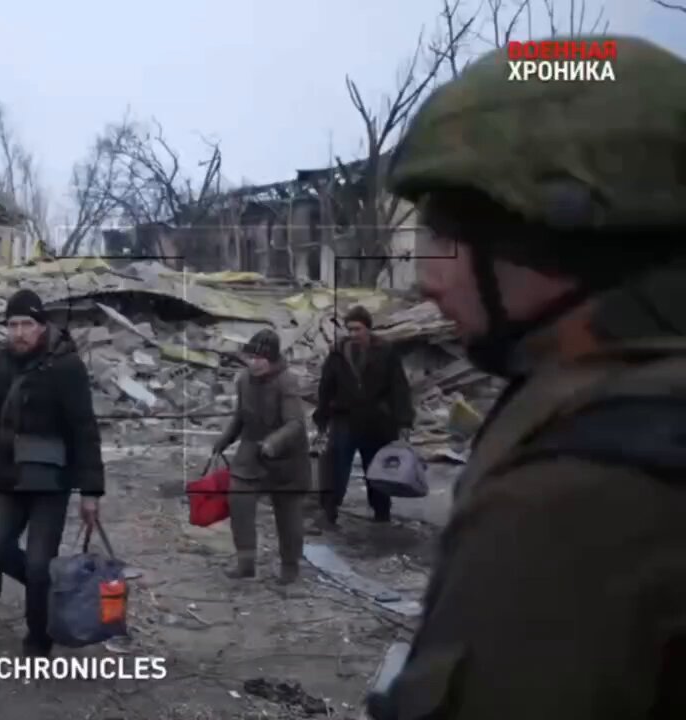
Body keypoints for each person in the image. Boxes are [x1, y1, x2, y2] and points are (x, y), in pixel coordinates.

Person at [366, 36, 686, 719]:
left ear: (558, 234)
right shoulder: (606, 404)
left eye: (451, 231)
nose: (428, 276)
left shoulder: (578, 502)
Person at [0, 289, 105, 657]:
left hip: (50, 482)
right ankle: (48, 590)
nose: (19, 332)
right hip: (8, 476)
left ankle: (38, 639)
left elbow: (84, 430)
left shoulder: (66, 367)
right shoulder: (0, 363)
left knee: (40, 562)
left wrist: (91, 491)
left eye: (27, 324)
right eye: (12, 324)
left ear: (42, 326)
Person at [212, 329, 310, 584]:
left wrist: (273, 443)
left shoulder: (286, 381)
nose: (254, 362)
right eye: (250, 357)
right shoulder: (243, 380)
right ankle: (245, 563)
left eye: (260, 358)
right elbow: (241, 416)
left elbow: (295, 424)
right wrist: (225, 439)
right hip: (252, 450)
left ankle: (290, 568)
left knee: (288, 515)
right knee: (239, 500)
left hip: (286, 457)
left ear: (272, 359)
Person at [312, 304, 414, 525]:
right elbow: (326, 387)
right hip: (344, 418)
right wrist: (321, 418)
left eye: (357, 329)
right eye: (349, 329)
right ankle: (328, 511)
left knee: (376, 469)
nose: (353, 334)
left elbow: (399, 387)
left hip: (376, 420)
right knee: (335, 466)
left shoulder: (385, 352)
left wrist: (404, 421)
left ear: (368, 328)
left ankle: (381, 513)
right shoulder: (338, 353)